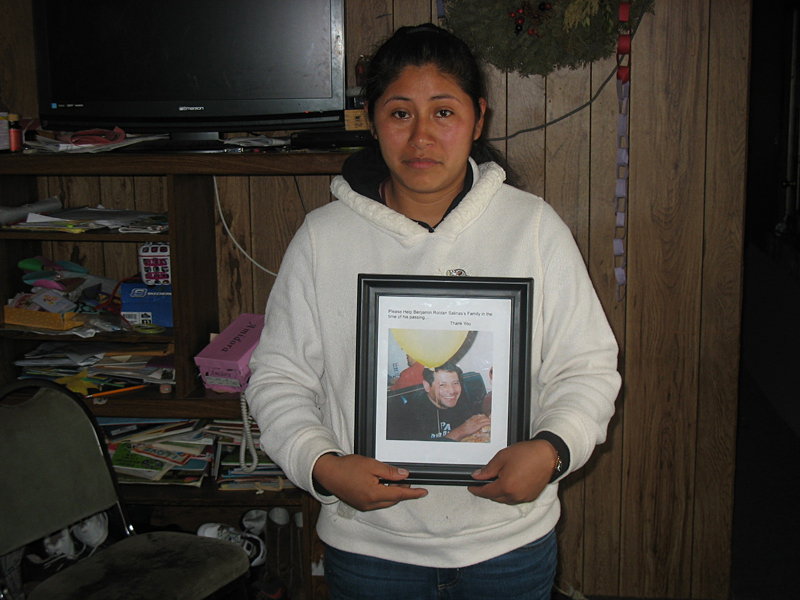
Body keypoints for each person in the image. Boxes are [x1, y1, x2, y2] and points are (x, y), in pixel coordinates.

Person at [246, 23, 621, 600]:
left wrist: (552, 452)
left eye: (443, 112)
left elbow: (588, 368)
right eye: (400, 113)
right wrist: (322, 465)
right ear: (372, 120)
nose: (421, 136)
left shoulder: (533, 228)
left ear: (478, 116)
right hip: (369, 549)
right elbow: (277, 377)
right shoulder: (324, 239)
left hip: (508, 547)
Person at [386, 362, 490, 441]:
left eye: (455, 383)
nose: (452, 391)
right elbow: (420, 453)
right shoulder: (409, 415)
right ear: (427, 386)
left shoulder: (460, 405)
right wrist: (462, 431)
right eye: (442, 385)